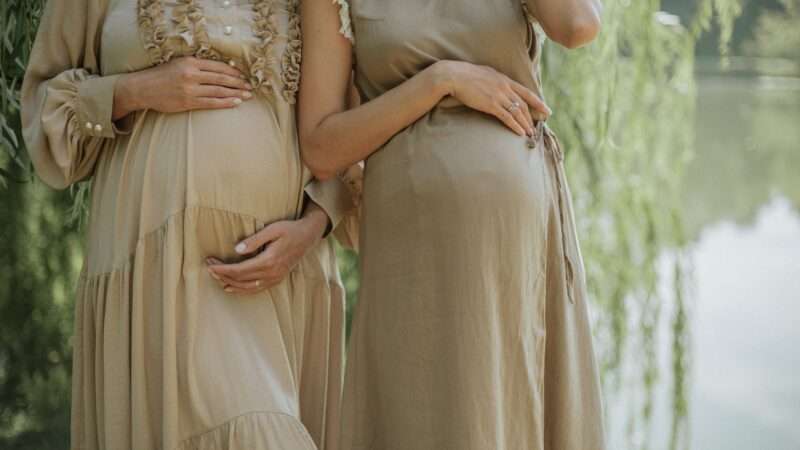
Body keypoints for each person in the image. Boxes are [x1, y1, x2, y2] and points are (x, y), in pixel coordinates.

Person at [21, 0, 355, 448]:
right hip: (157, 272)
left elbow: (347, 137)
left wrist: (315, 226)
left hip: (283, 276)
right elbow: (45, 114)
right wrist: (136, 91)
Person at [298, 0, 606, 448]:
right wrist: (442, 81)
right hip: (411, 245)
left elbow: (579, 25)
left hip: (513, 239)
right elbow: (321, 146)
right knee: (423, 412)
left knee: (513, 403)